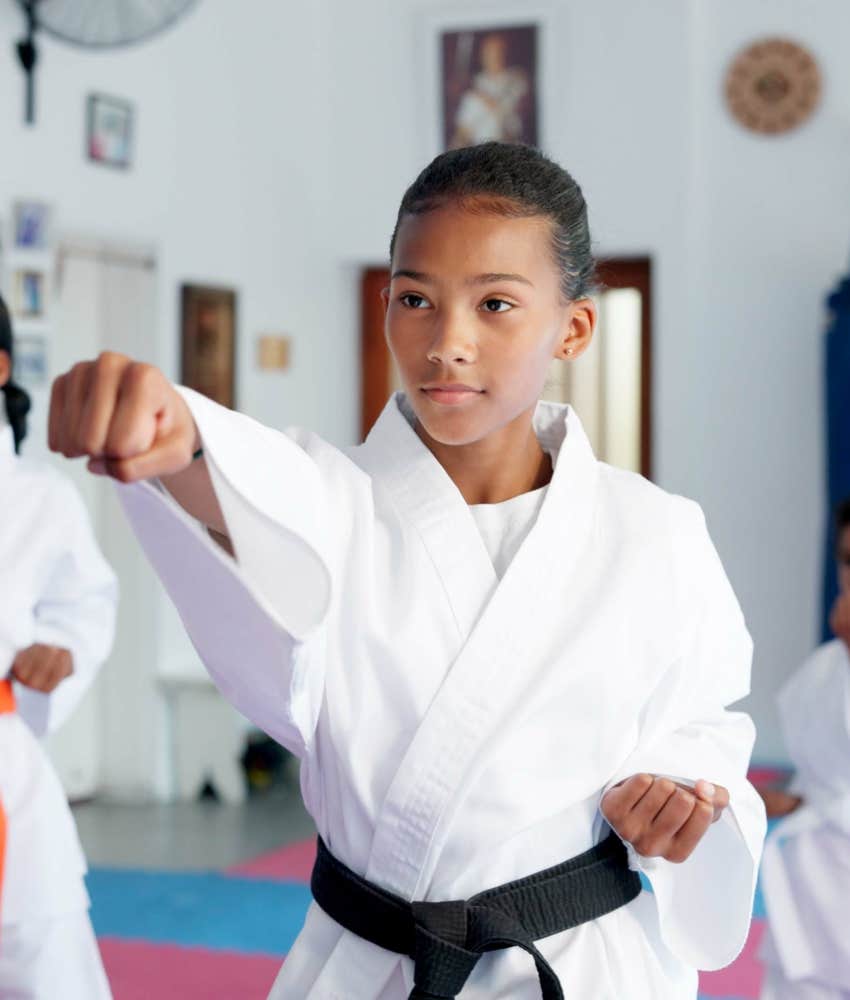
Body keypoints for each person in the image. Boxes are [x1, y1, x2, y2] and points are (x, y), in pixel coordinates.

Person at [48, 142, 765, 999]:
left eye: (495, 303)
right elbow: (255, 495)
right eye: (415, 299)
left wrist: (686, 802)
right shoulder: (334, 498)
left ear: (572, 327)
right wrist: (174, 435)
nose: (446, 343)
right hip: (372, 965)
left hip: (582, 966)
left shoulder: (657, 534)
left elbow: (703, 720)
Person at [0, 293, 118, 999]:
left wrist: (59, 653)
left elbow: (85, 606)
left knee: (43, 966)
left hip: (5, 769)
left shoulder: (39, 499)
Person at [759, 498, 850, 1000]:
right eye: (849, 560)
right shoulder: (826, 666)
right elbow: (826, 768)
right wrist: (791, 796)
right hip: (816, 882)